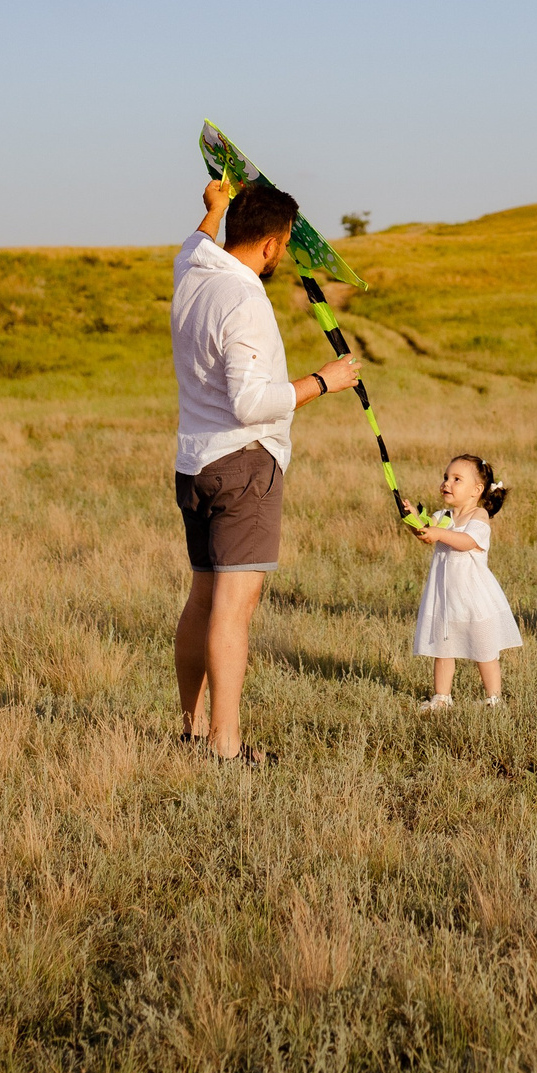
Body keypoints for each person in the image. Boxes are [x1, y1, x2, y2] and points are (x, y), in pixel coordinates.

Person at [171, 175, 362, 764]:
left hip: (194, 466)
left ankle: (192, 732)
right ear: (274, 245)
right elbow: (252, 402)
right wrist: (325, 381)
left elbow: (195, 242)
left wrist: (213, 207)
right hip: (243, 466)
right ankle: (225, 748)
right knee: (233, 609)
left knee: (202, 600)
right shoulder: (245, 299)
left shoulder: (192, 271)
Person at [407, 453, 522, 710]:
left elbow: (467, 542)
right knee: (442, 648)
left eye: (456, 479)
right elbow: (425, 530)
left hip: (473, 598)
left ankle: (494, 699)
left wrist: (439, 533)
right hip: (445, 598)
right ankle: (442, 697)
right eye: (446, 477)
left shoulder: (478, 515)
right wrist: (413, 518)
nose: (447, 483)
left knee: (484, 649)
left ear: (476, 490)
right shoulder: (442, 515)